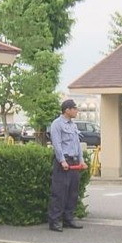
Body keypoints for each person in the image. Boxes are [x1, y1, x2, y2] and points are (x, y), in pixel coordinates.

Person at [47, 99, 86, 232]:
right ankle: (55, 221)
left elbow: (77, 144)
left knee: (72, 192)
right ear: (67, 110)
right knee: (59, 193)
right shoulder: (57, 124)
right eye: (74, 108)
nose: (76, 111)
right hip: (64, 162)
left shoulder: (73, 125)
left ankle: (69, 218)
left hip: (74, 162)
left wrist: (81, 160)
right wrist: (62, 160)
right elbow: (57, 144)